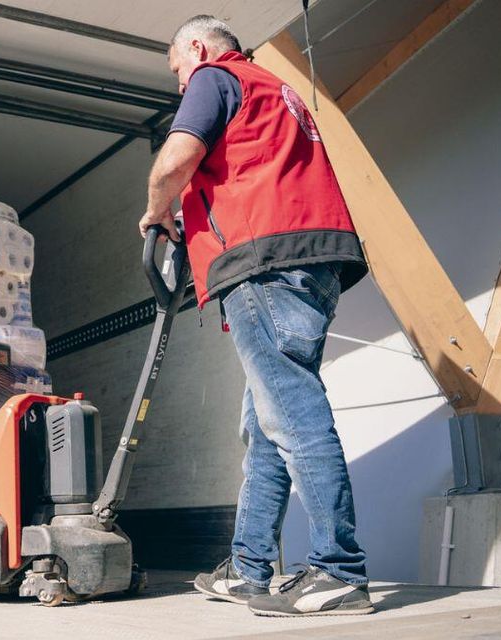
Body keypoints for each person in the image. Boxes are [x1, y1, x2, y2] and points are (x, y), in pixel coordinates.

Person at [138, 15, 373, 617]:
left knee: (291, 412)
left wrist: (156, 211)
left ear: (195, 47)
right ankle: (248, 567)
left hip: (264, 259)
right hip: (313, 258)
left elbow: (174, 162)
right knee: (268, 421)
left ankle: (337, 571)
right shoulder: (274, 88)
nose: (179, 84)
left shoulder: (216, 77)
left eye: (176, 70)